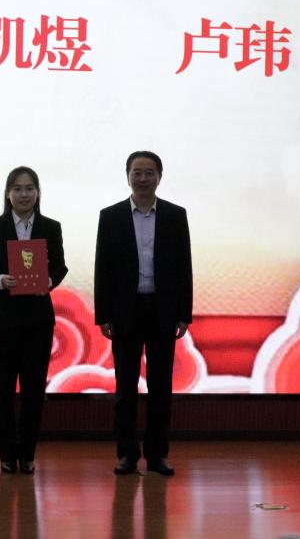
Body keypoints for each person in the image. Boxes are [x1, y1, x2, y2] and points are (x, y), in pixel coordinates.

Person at [94, 150, 192, 477]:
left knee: (161, 389)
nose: (143, 178)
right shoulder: (111, 216)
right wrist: (103, 315)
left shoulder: (175, 216)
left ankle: (157, 456)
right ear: (128, 177)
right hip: (126, 311)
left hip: (162, 311)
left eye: (150, 172)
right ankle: (126, 455)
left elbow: (184, 266)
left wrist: (184, 313)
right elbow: (103, 268)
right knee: (125, 389)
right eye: (137, 172)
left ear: (159, 177)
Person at [0, 166, 68, 474]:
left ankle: (27, 455)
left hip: (38, 321)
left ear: (38, 192)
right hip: (3, 320)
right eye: (17, 188)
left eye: (29, 188)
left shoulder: (51, 227)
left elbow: (60, 267)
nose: (23, 194)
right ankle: (6, 456)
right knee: (1, 391)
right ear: (7, 193)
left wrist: (49, 281)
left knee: (33, 391)